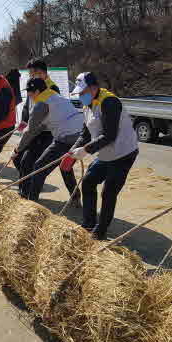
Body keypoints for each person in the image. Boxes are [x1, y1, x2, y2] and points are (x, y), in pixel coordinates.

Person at [64, 72, 139, 240]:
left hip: (123, 153)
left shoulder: (109, 102)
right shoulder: (87, 105)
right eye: (79, 93)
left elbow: (109, 135)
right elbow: (85, 133)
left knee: (108, 192)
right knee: (89, 182)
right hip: (106, 153)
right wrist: (72, 152)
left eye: (83, 92)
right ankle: (88, 223)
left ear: (94, 88)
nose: (81, 96)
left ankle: (100, 231)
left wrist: (86, 150)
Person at [14, 59, 81, 205]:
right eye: (31, 74)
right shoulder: (43, 91)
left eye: (36, 73)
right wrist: (26, 122)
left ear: (44, 73)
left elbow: (35, 127)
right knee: (61, 166)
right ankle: (28, 193)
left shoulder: (50, 91)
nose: (33, 77)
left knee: (39, 166)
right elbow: (30, 112)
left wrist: (19, 146)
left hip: (57, 135)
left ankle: (31, 202)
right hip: (70, 132)